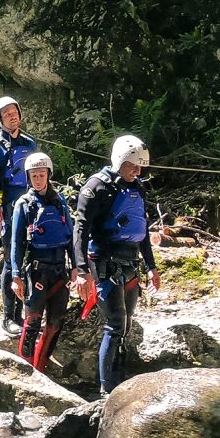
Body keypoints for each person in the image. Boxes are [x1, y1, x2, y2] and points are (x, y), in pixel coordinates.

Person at [72, 135, 161, 394]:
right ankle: (105, 390)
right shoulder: (97, 186)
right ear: (120, 160)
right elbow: (81, 229)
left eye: (140, 167)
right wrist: (81, 271)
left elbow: (140, 229)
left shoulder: (137, 187)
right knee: (115, 324)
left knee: (128, 323)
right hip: (104, 263)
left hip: (131, 262)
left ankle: (122, 380)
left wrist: (152, 267)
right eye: (133, 165)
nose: (138, 171)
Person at [8, 153, 77, 372]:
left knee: (56, 323)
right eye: (33, 175)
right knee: (32, 324)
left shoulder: (60, 201)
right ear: (28, 177)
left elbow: (69, 236)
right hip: (36, 272)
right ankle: (26, 370)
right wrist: (16, 275)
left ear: (48, 174)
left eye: (41, 174)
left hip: (59, 272)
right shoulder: (24, 204)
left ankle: (41, 366)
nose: (38, 179)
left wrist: (76, 266)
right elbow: (17, 242)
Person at [0, 96, 39, 335]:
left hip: (31, 205)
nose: (12, 116)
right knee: (11, 259)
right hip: (9, 206)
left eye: (15, 112)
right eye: (7, 114)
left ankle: (28, 312)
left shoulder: (29, 143)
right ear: (0, 120)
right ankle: (9, 317)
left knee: (31, 258)